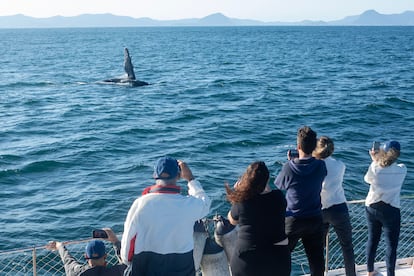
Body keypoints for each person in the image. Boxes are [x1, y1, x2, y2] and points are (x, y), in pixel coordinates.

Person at [121, 156, 211, 276]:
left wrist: (127, 260)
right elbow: (205, 203)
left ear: (155, 175)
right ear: (179, 176)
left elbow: (128, 243)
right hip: (182, 267)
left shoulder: (140, 204)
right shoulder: (189, 205)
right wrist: (190, 179)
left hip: (146, 267)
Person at [274, 126, 327, 276]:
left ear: (298, 146)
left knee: (282, 258)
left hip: (293, 219)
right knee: (316, 261)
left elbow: (279, 185)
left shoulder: (289, 168)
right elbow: (319, 173)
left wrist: (291, 162)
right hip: (315, 218)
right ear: (314, 147)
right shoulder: (320, 165)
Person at [226, 161, 291, 276]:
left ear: (245, 180)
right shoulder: (278, 197)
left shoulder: (242, 202)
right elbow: (268, 194)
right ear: (267, 180)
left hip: (247, 261)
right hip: (278, 260)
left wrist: (239, 192)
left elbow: (232, 220)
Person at [313, 136, 356, 276]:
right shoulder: (340, 165)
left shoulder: (314, 167)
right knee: (347, 247)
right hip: (339, 208)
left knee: (318, 249)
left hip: (321, 210)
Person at [364, 141, 407, 276]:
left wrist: (374, 160)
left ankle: (370, 271)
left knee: (372, 240)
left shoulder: (375, 168)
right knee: (391, 246)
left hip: (372, 207)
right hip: (391, 210)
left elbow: (367, 179)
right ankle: (390, 274)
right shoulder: (402, 169)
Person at [46, 228, 126, 276]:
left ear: (85, 256)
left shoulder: (76, 272)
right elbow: (126, 263)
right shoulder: (117, 272)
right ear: (105, 256)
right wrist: (115, 240)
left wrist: (59, 246)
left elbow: (67, 259)